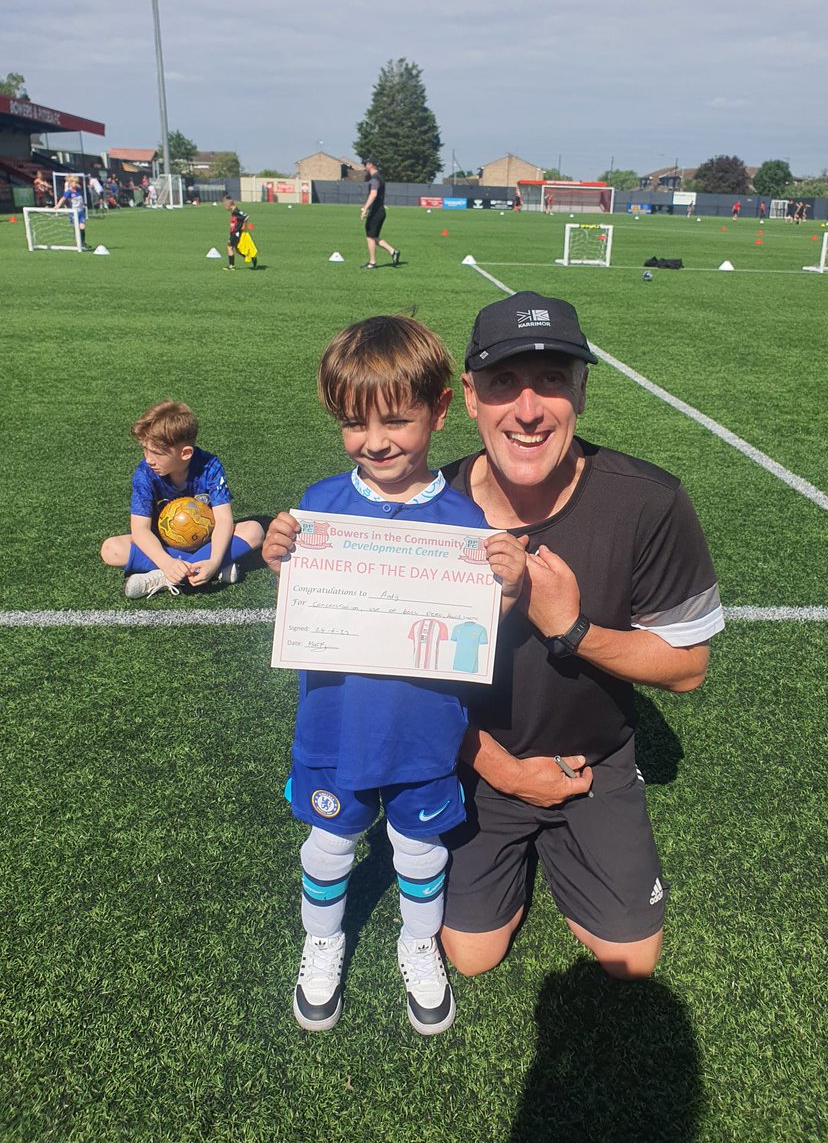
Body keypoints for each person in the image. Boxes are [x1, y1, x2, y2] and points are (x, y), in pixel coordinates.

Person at [434, 292, 722, 982]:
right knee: (471, 957)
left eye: (553, 380)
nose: (528, 410)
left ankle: (573, 836)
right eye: (504, 382)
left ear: (583, 391)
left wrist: (572, 627)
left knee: (630, 961)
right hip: (478, 761)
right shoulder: (431, 512)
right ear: (470, 397)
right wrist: (504, 772)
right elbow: (402, 683)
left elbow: (688, 669)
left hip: (595, 760)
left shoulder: (648, 501)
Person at [262, 315, 526, 1035]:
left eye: (396, 421)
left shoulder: (465, 521)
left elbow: (477, 635)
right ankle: (324, 940)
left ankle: (418, 944)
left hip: (423, 733)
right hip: (334, 727)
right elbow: (304, 599)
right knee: (328, 843)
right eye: (353, 423)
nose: (374, 441)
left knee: (419, 845)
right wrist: (281, 557)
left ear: (441, 410)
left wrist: (503, 592)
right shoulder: (318, 507)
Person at [100, 400, 265, 598]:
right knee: (111, 549)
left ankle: (164, 578)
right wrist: (167, 562)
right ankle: (214, 568)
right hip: (162, 546)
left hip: (207, 542)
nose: (148, 459)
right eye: (145, 450)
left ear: (185, 453)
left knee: (255, 530)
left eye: (157, 453)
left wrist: (213, 560)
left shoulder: (209, 466)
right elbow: (140, 530)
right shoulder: (145, 473)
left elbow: (223, 520)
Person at [359, 159, 400, 269]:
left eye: (365, 164)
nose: (364, 166)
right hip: (380, 211)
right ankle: (393, 251)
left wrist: (365, 208)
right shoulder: (380, 177)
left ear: (371, 165)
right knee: (373, 236)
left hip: (376, 212)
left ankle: (372, 262)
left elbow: (373, 194)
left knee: (370, 237)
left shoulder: (375, 179)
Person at [53, 175, 89, 249]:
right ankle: (79, 243)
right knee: (77, 228)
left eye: (77, 183)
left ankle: (82, 242)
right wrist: (57, 206)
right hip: (74, 213)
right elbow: (63, 199)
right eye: (75, 183)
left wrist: (84, 204)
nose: (77, 184)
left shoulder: (77, 191)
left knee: (82, 227)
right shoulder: (69, 192)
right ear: (70, 183)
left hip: (81, 212)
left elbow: (78, 200)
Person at [223, 197, 257, 270]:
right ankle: (251, 258)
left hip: (236, 233)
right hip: (234, 232)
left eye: (225, 206)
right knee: (238, 250)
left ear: (229, 205)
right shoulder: (234, 211)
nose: (225, 207)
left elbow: (246, 217)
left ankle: (231, 266)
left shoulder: (236, 211)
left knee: (229, 247)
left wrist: (244, 225)